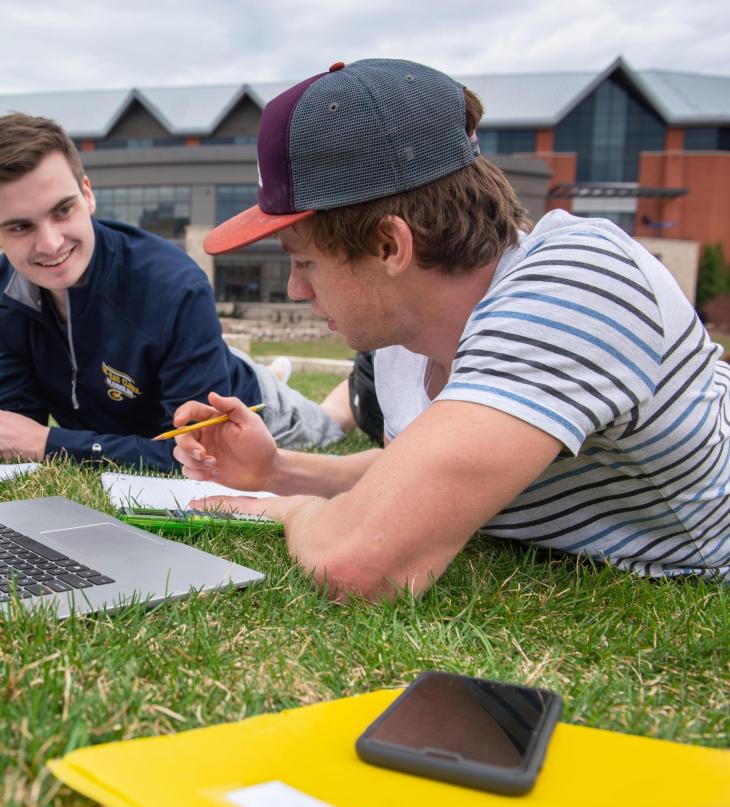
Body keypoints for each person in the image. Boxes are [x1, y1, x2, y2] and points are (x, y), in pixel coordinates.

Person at [171, 58, 730, 598]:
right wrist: (279, 469)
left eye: (305, 261)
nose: (296, 288)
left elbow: (360, 561)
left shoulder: (580, 283)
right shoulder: (402, 341)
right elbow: (416, 475)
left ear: (390, 246)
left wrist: (287, 509)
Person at [0, 113, 344, 470]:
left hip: (254, 410)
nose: (51, 243)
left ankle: (308, 388)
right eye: (20, 226)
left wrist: (49, 443)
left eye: (62, 210)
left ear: (87, 194)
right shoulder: (4, 295)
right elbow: (14, 433)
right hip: (147, 401)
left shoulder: (173, 286)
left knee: (335, 424)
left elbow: (197, 454)